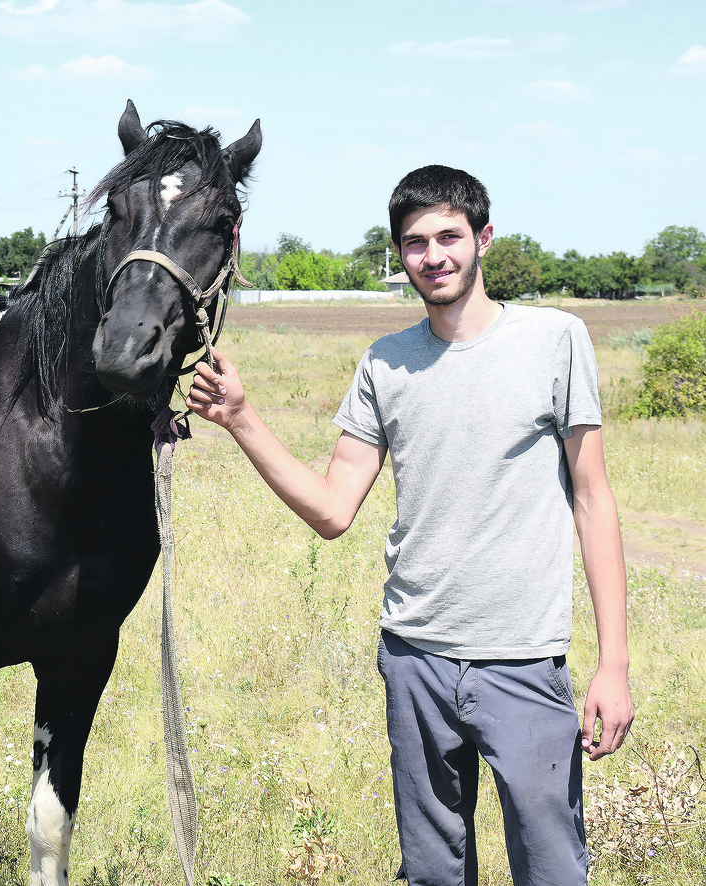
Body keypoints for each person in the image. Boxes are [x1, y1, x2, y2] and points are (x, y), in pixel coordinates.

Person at [187, 165, 634, 885]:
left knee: (552, 871)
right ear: (400, 255)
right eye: (416, 242)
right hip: (414, 661)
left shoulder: (555, 340)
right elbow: (333, 510)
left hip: (522, 659)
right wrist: (241, 418)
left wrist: (612, 664)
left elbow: (593, 500)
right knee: (432, 874)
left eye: (449, 236)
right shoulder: (385, 365)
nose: (435, 255)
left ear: (484, 238)